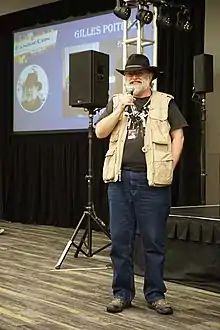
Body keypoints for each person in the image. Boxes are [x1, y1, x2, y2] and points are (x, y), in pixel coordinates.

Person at [95, 54, 188, 315]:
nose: (134, 77)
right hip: (120, 180)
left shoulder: (165, 102)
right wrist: (119, 109)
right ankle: (122, 293)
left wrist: (169, 166)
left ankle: (155, 295)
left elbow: (178, 134)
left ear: (150, 77)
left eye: (140, 73)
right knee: (121, 242)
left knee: (154, 241)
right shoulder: (117, 102)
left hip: (152, 183)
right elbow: (100, 131)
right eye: (129, 74)